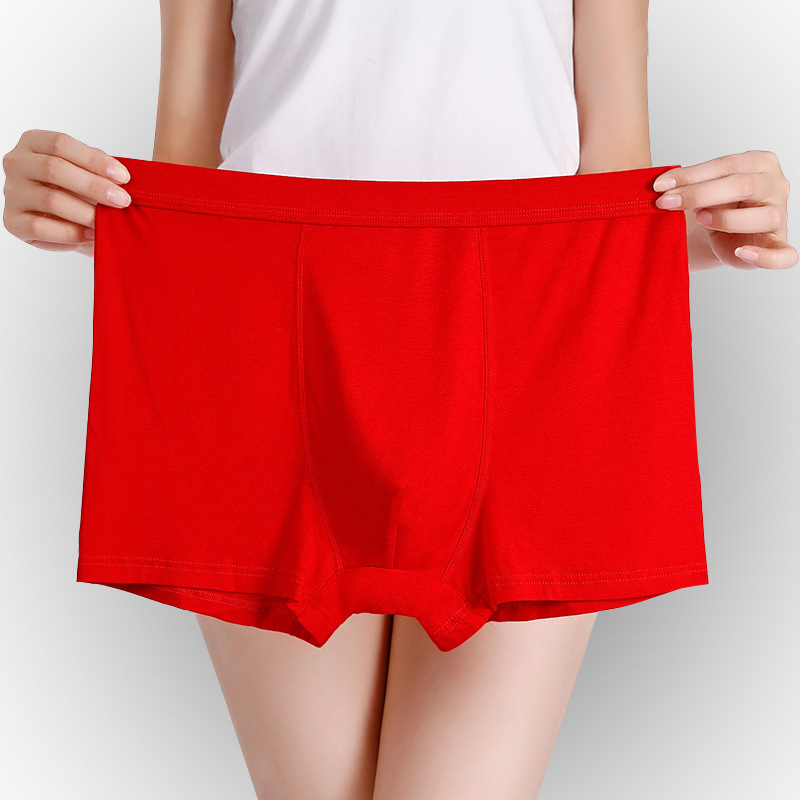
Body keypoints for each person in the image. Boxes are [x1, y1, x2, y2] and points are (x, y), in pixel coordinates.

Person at [2, 2, 796, 798]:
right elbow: (184, 152)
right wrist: (89, 212)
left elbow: (615, 173)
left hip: (531, 339)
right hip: (266, 332)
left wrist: (706, 230)